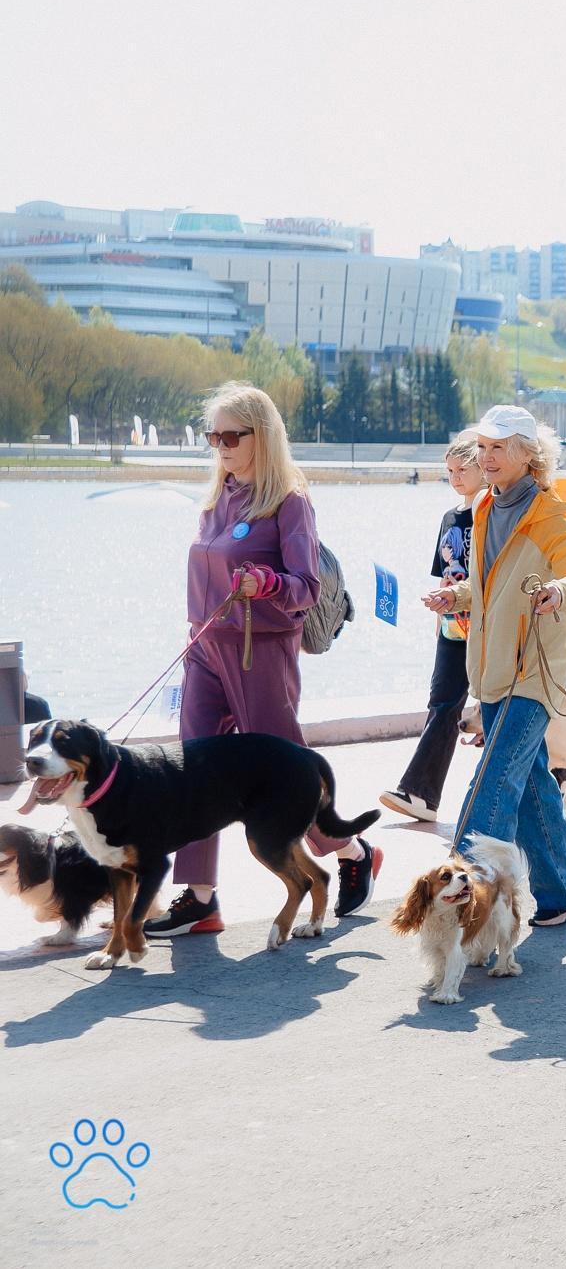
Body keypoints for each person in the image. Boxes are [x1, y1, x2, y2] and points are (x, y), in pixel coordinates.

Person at [145, 383, 381, 937]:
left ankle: (349, 850)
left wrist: (266, 581)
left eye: (232, 435)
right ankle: (200, 896)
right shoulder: (217, 499)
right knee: (193, 771)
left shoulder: (289, 503)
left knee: (282, 771)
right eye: (213, 436)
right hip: (205, 649)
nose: (221, 446)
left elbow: (305, 586)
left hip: (261, 652)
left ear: (262, 436)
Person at [424, 406, 566, 926]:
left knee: (494, 783)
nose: (487, 456)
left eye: (499, 447)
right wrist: (455, 595)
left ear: (529, 454)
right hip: (493, 673)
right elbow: (487, 587)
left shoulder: (550, 514)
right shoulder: (482, 507)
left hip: (535, 676)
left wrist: (559, 591)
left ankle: (462, 896)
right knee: (534, 791)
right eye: (482, 446)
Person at [381, 431, 485, 824]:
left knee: (504, 706)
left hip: (491, 627)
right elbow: (446, 572)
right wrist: (439, 597)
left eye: (463, 469)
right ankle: (421, 793)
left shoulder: (495, 515)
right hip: (451, 627)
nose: (456, 477)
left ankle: (554, 774)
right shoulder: (449, 519)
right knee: (442, 703)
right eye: (450, 471)